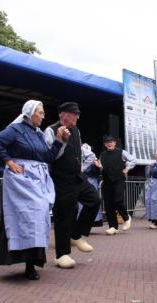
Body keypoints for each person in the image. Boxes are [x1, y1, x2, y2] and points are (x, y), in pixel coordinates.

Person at [0, 100, 66, 280]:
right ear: (30, 114)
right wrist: (9, 161)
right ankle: (27, 263)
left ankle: (32, 263)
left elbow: (47, 157)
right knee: (30, 214)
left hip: (37, 180)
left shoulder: (38, 134)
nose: (43, 116)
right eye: (40, 112)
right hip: (21, 180)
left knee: (39, 215)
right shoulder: (16, 129)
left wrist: (59, 141)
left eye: (43, 112)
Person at [44, 102, 101, 269]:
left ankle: (76, 235)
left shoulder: (76, 130)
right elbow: (49, 157)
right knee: (64, 216)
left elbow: (78, 152)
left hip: (77, 175)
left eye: (78, 114)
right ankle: (62, 254)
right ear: (63, 115)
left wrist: (81, 165)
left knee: (94, 200)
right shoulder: (50, 130)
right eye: (74, 114)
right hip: (61, 179)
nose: (77, 117)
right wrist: (60, 140)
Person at [98, 135, 136, 235]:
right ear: (105, 145)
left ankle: (126, 217)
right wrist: (99, 167)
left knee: (118, 200)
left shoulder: (122, 152)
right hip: (107, 181)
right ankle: (113, 227)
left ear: (115, 143)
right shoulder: (102, 155)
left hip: (119, 179)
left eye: (111, 142)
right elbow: (101, 166)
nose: (109, 143)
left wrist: (127, 168)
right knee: (108, 205)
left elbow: (133, 160)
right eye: (107, 142)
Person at [80, 143, 103, 226]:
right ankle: (81, 220)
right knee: (81, 202)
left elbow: (98, 171)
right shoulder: (79, 158)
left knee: (92, 199)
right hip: (82, 180)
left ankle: (94, 220)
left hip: (91, 180)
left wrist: (97, 166)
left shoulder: (94, 159)